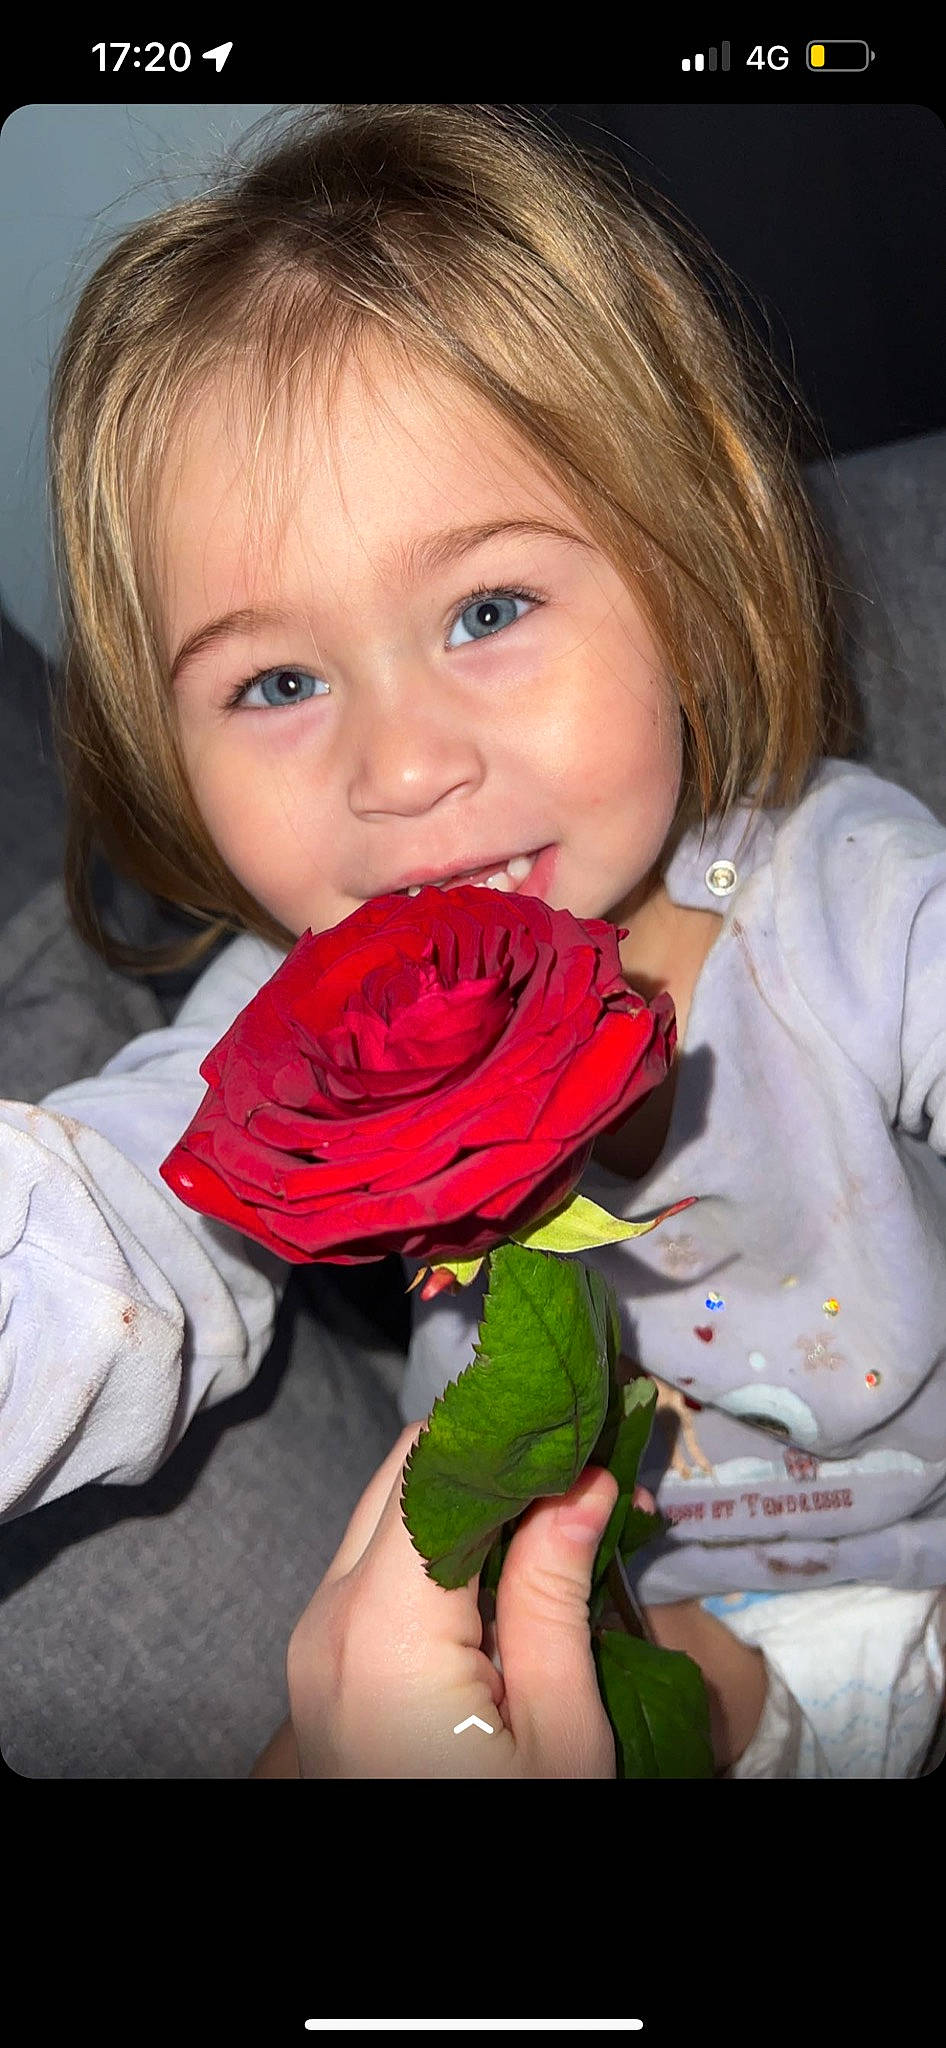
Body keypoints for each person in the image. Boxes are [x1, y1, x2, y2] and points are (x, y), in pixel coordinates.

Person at [2, 102, 944, 1777]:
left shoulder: (841, 892)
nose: (401, 768)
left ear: (686, 567)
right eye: (276, 682)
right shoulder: (295, 1027)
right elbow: (106, 1229)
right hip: (592, 1632)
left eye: (485, 610)